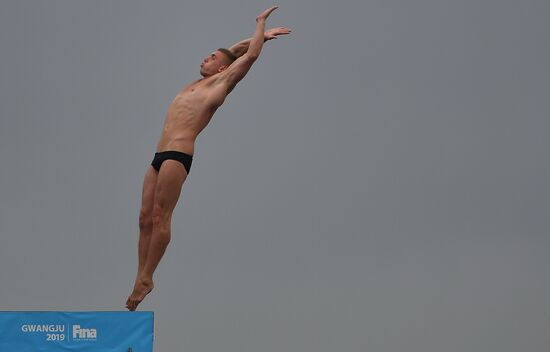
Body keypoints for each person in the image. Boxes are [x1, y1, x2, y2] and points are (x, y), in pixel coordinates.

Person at [126, 6, 291, 311]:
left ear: (221, 70)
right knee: (143, 218)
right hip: (157, 155)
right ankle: (139, 275)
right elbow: (236, 49)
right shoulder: (194, 83)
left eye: (211, 58)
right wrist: (262, 37)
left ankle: (148, 276)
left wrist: (259, 24)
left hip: (178, 153)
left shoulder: (221, 83)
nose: (206, 58)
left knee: (161, 216)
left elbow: (247, 56)